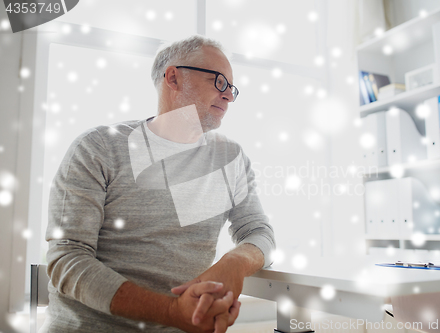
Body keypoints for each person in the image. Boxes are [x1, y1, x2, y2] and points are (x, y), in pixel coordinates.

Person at [41, 35, 276, 333]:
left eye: (232, 88)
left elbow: (259, 232)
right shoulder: (97, 147)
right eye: (219, 82)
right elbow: (67, 258)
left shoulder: (230, 157)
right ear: (174, 78)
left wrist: (235, 262)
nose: (228, 96)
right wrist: (171, 311)